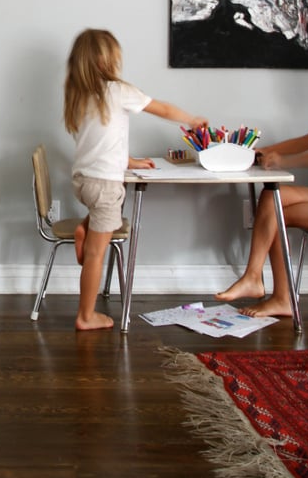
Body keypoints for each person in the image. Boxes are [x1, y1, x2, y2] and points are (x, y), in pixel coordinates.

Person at [64, 28, 208, 331]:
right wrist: (192, 120)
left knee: (105, 223)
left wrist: (128, 161)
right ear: (107, 62)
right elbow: (163, 108)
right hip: (104, 185)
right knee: (96, 254)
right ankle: (86, 316)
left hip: (83, 180)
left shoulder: (79, 95)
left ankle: (84, 228)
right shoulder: (118, 91)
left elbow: (99, 141)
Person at [216, 41, 308, 318]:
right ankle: (259, 280)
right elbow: (305, 141)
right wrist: (255, 152)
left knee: (275, 213)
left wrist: (285, 162)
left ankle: (269, 289)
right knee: (271, 197)